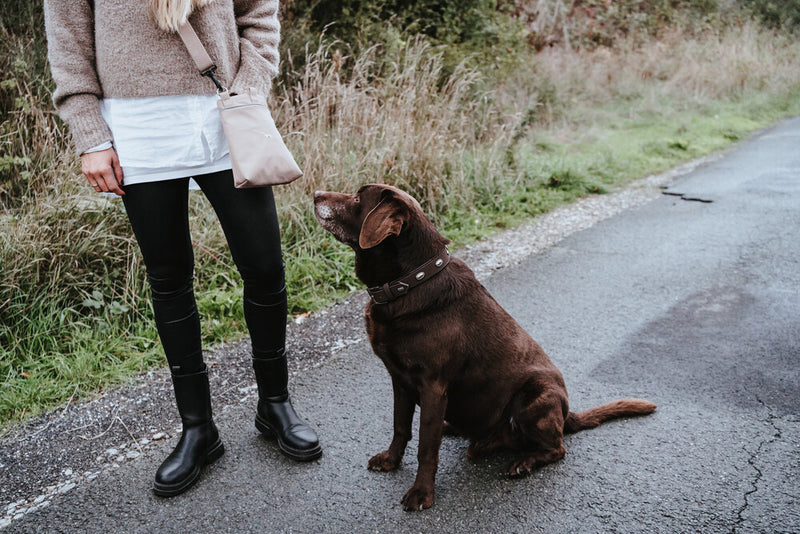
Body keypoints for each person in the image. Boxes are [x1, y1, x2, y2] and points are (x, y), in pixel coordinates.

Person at [43, 0, 321, 497]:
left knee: (264, 266)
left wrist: (250, 88)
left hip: (224, 112)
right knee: (169, 279)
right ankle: (198, 429)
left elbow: (260, 16)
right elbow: (68, 42)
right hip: (136, 129)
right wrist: (89, 133)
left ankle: (274, 404)